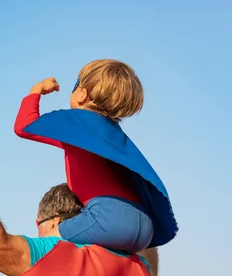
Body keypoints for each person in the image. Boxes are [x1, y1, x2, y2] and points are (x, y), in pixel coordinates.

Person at [0, 129, 158, 276]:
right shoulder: (137, 267)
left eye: (38, 224)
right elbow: (147, 254)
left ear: (53, 220)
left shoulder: (62, 256)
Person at [13, 59, 177, 253]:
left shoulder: (76, 120)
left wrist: (36, 91)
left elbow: (24, 126)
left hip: (108, 219)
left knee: (48, 241)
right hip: (144, 229)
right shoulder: (112, 135)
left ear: (82, 94)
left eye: (76, 85)